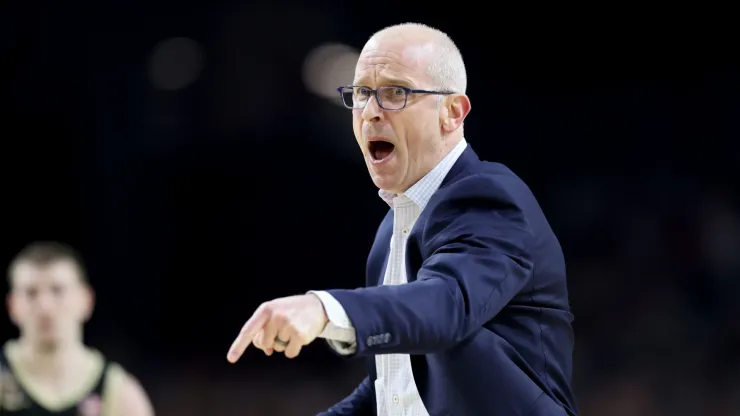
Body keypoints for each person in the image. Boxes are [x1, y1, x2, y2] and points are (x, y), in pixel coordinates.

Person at [227, 23, 578, 416]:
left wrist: (325, 309)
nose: (371, 113)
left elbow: (445, 306)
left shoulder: (491, 197)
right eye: (361, 94)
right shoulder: (388, 235)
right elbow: (394, 387)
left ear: (452, 112)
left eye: (395, 93)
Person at [0, 241, 154, 416]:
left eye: (58, 291)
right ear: (12, 305)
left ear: (85, 300)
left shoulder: (118, 393)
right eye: (31, 293)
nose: (45, 306)